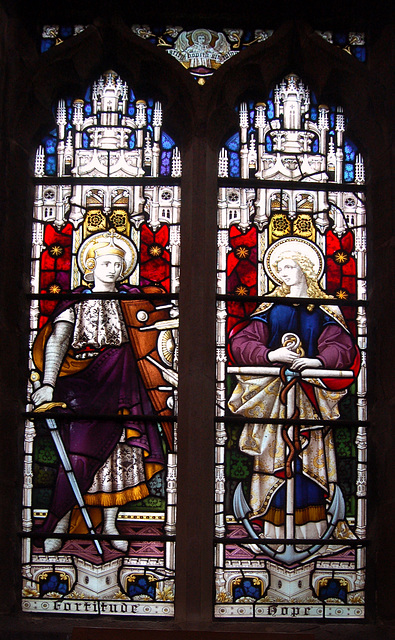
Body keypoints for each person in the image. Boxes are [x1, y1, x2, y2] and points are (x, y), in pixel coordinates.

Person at [32, 230, 166, 553]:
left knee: (121, 455)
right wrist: (48, 383)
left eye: (118, 265)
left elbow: (151, 338)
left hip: (123, 387)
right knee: (77, 454)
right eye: (106, 263)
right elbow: (58, 342)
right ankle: (61, 521)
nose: (113, 269)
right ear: (91, 266)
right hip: (83, 387)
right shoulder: (75, 302)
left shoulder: (132, 303)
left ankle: (109, 524)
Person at [228, 237, 359, 542]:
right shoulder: (270, 308)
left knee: (309, 459)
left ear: (305, 269)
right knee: (274, 459)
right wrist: (270, 356)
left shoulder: (325, 309)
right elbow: (241, 342)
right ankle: (273, 530)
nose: (282, 273)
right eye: (279, 268)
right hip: (275, 399)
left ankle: (314, 530)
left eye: (289, 266)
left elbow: (342, 348)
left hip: (310, 398)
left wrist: (316, 361)